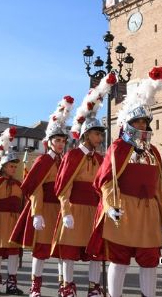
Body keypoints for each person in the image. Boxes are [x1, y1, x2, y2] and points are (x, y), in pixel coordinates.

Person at [89, 67, 162, 297]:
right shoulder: (118, 148)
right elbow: (106, 182)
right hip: (124, 210)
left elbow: (158, 188)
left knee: (150, 260)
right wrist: (111, 206)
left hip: (148, 212)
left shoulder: (153, 151)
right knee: (120, 259)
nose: (143, 126)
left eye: (145, 122)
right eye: (138, 122)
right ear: (129, 123)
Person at [53, 75, 114, 297]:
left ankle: (94, 287)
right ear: (87, 135)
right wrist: (66, 211)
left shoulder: (101, 158)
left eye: (101, 134)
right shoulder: (73, 155)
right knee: (69, 250)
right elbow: (63, 186)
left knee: (95, 251)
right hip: (75, 208)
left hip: (95, 211)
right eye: (98, 133)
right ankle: (67, 285)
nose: (100, 137)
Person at [10, 95, 74, 297]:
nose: (61, 143)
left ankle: (65, 286)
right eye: (57, 140)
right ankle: (35, 287)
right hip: (45, 206)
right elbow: (34, 187)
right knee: (41, 250)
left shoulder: (66, 161)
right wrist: (36, 213)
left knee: (63, 250)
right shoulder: (43, 160)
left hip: (62, 209)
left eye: (63, 140)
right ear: (50, 142)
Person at [0, 127, 24, 295]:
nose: (14, 169)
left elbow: (23, 205)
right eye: (11, 166)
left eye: (15, 167)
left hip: (14, 222)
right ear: (3, 167)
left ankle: (12, 284)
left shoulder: (18, 185)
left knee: (14, 254)